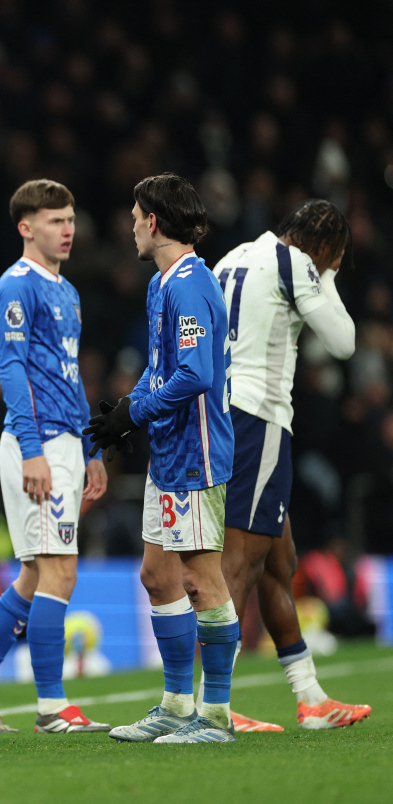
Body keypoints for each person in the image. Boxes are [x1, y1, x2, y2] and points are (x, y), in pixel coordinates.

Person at [0, 179, 109, 735]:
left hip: (65, 442)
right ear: (26, 227)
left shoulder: (68, 291)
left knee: (35, 575)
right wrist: (35, 450)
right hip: (34, 443)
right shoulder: (16, 286)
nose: (68, 230)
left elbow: (70, 375)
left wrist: (90, 447)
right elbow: (12, 370)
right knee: (58, 570)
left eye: (70, 219)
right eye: (55, 221)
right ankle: (52, 706)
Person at [205, 200, 370, 730]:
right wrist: (329, 275)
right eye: (336, 257)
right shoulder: (295, 263)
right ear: (323, 249)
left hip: (216, 415)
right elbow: (343, 344)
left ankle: (311, 697)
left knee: (280, 560)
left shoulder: (231, 257)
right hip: (259, 419)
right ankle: (211, 705)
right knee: (240, 561)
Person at [86, 173, 238, 744]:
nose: (130, 226)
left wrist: (139, 413)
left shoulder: (191, 285)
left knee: (200, 579)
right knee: (157, 575)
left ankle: (216, 715)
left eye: (135, 217)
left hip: (197, 452)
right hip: (169, 450)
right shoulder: (160, 285)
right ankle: (176, 706)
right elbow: (159, 367)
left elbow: (196, 374)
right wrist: (128, 409)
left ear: (153, 222)